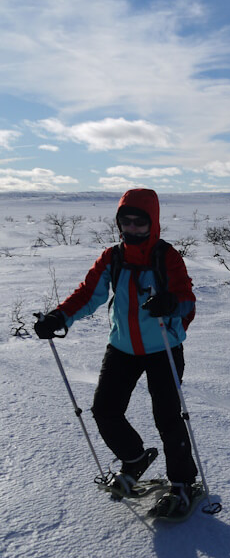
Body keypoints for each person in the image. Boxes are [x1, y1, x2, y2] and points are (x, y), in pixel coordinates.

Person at [33, 188, 199, 518]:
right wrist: (58, 316)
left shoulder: (166, 257)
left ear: (153, 223)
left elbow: (187, 301)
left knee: (167, 417)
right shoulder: (113, 257)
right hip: (122, 347)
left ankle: (182, 483)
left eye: (140, 223)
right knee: (105, 410)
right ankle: (134, 458)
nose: (133, 229)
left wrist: (170, 304)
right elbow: (87, 294)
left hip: (163, 347)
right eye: (126, 222)